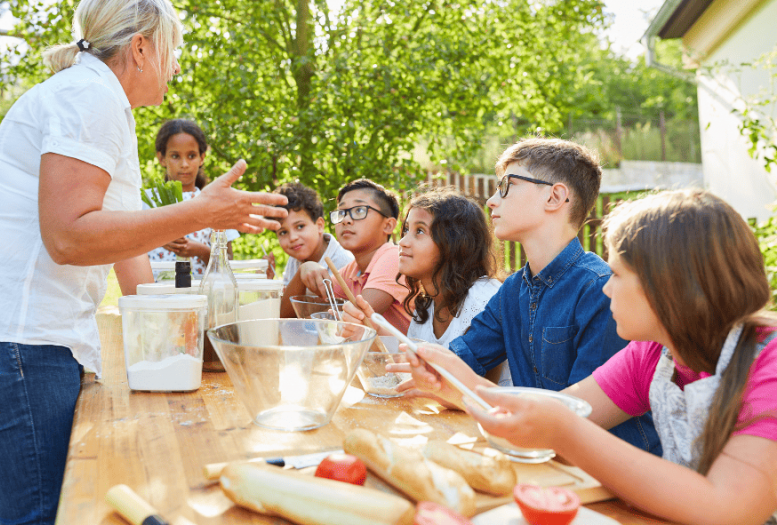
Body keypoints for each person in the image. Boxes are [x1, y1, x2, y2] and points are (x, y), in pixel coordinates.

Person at [0, 0, 288, 523]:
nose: (178, 64)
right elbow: (69, 237)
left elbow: (126, 253)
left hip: (28, 344)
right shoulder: (88, 99)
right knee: (41, 514)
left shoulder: (98, 100)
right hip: (21, 346)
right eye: (174, 49)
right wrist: (201, 214)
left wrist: (183, 336)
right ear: (141, 49)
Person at [419, 189, 777, 525]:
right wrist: (461, 387)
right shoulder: (651, 355)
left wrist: (564, 431)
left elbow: (728, 508)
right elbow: (557, 413)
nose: (607, 286)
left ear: (669, 285)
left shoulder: (770, 360)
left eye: (618, 273)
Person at [391, 137, 660, 454]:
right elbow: (459, 359)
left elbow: (579, 417)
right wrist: (426, 368)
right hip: (540, 455)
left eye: (506, 187)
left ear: (554, 197)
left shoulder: (600, 289)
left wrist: (454, 380)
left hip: (608, 478)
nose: (491, 201)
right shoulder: (512, 291)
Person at [342, 189, 512, 384]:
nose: (403, 242)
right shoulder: (427, 305)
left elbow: (479, 386)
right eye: (406, 230)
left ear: (454, 243)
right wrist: (370, 330)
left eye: (419, 231)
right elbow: (415, 367)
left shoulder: (483, 299)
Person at [283, 178, 412, 333]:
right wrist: (302, 270)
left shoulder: (393, 258)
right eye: (341, 213)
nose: (346, 220)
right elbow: (287, 316)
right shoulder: (351, 271)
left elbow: (355, 319)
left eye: (359, 211)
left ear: (388, 225)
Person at [144, 118, 238, 278]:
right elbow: (129, 248)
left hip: (202, 297)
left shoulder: (215, 202)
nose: (184, 164)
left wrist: (202, 251)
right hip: (157, 297)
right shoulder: (147, 201)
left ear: (202, 158)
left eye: (191, 155)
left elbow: (228, 261)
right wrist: (156, 239)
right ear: (161, 158)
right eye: (175, 156)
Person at [267, 181, 353, 296]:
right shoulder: (295, 258)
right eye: (283, 232)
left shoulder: (344, 263)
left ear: (319, 226)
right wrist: (268, 284)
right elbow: (286, 309)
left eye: (300, 226)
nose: (292, 238)